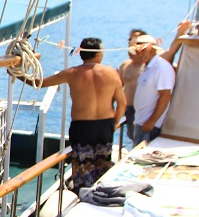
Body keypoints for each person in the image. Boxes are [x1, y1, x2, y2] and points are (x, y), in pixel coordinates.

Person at [18, 37, 125, 190]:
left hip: (82, 126)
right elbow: (122, 103)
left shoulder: (72, 73)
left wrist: (18, 74)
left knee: (82, 165)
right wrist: (115, 123)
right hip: (105, 125)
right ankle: (102, 192)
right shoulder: (112, 73)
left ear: (81, 53)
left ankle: (83, 191)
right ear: (98, 54)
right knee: (103, 164)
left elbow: (39, 83)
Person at [129, 34, 176, 147]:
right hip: (142, 123)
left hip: (150, 126)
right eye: (137, 51)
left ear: (152, 49)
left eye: (142, 50)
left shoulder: (161, 67)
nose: (139, 54)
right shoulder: (149, 67)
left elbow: (165, 96)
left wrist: (152, 122)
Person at [117, 28, 149, 130]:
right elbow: (117, 89)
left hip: (145, 109)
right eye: (130, 39)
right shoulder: (125, 65)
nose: (132, 42)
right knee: (132, 134)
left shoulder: (150, 66)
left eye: (136, 39)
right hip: (129, 109)